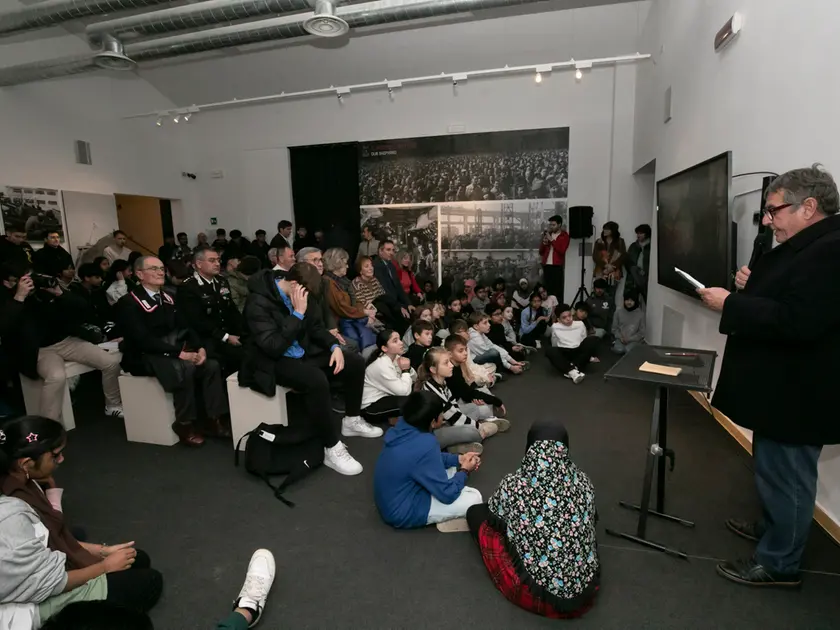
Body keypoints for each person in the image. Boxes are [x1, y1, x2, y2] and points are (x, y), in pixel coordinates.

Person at [698, 165, 840, 587]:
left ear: (808, 207)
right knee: (773, 469)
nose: (768, 219)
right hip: (783, 387)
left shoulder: (830, 250)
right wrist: (751, 285)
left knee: (790, 475)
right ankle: (774, 528)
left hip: (799, 391)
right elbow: (788, 297)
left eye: (774, 210)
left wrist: (732, 304)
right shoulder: (809, 246)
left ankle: (780, 563)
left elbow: (798, 320)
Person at [0, 416, 163, 615]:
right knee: (151, 582)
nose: (61, 460)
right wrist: (104, 567)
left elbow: (50, 537)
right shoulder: (12, 513)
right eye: (55, 455)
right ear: (26, 463)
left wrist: (103, 551)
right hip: (38, 599)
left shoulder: (21, 480)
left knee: (139, 559)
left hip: (45, 570)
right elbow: (47, 583)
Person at [239, 263, 373, 475]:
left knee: (353, 361)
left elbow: (316, 327)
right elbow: (272, 347)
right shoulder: (258, 302)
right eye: (306, 294)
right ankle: (331, 446)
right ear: (294, 284)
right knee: (316, 379)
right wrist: (297, 314)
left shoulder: (302, 292)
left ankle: (351, 419)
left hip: (301, 351)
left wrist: (334, 346)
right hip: (271, 360)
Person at [466, 421, 599, 618]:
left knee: (477, 514)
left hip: (535, 593)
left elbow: (493, 513)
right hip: (583, 593)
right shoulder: (584, 482)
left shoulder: (514, 484)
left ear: (530, 447)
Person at [118, 256, 229, 446]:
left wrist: (199, 347)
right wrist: (179, 353)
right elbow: (142, 339)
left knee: (210, 365)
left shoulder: (170, 296)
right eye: (153, 269)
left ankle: (212, 419)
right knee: (185, 367)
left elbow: (186, 326)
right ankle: (184, 423)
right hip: (143, 354)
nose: (160, 272)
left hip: (170, 348)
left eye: (161, 268)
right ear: (139, 274)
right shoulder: (129, 302)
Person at [0, 266, 123, 421]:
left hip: (66, 341)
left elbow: (82, 307)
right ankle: (49, 425)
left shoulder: (42, 292)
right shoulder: (6, 300)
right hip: (40, 350)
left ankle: (112, 406)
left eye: (30, 278)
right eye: (24, 280)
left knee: (111, 363)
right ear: (8, 283)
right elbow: (4, 327)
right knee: (56, 376)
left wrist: (60, 293)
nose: (30, 283)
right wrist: (19, 297)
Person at [373, 391, 483, 530]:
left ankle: (450, 497)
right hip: (401, 511)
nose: (443, 417)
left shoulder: (402, 425)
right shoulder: (426, 442)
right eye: (441, 414)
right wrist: (465, 471)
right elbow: (447, 495)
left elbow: (426, 458)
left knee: (451, 468)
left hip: (393, 496)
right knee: (474, 498)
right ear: (433, 421)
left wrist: (459, 459)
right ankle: (447, 517)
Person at [417, 347, 504, 452]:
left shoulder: (442, 382)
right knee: (474, 432)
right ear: (433, 369)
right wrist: (478, 426)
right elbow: (453, 416)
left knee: (473, 408)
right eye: (446, 363)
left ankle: (460, 441)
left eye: (449, 361)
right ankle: (454, 445)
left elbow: (454, 407)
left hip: (446, 421)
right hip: (433, 433)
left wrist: (467, 422)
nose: (451, 365)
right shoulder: (431, 389)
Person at [177, 248, 245, 377]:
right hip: (206, 338)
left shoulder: (221, 281)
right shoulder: (189, 287)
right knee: (237, 357)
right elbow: (197, 321)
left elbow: (231, 310)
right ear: (199, 264)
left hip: (226, 333)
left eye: (218, 260)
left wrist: (243, 330)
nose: (217, 264)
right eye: (212, 261)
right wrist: (225, 336)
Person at [295, 247, 357, 353]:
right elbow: (309, 323)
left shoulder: (323, 282)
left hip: (325, 330)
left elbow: (326, 310)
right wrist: (329, 336)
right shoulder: (298, 286)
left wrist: (333, 329)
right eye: (315, 260)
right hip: (309, 337)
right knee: (350, 348)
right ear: (302, 264)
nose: (320, 264)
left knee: (353, 344)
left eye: (321, 260)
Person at [323, 247, 377, 351]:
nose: (347, 266)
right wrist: (365, 313)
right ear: (337, 263)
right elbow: (342, 307)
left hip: (352, 318)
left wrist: (365, 311)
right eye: (345, 263)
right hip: (341, 323)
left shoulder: (344, 281)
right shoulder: (328, 282)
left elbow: (355, 301)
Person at [361, 329, 416, 424]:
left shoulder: (395, 357)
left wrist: (408, 368)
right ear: (385, 348)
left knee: (417, 398)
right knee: (412, 402)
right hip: (370, 407)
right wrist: (405, 370)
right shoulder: (381, 364)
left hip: (387, 397)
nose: (401, 343)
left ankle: (395, 419)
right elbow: (404, 392)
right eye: (395, 341)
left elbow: (415, 378)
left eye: (399, 339)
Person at [445, 336, 504, 421]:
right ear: (449, 354)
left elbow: (467, 389)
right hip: (457, 404)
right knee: (484, 407)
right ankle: (484, 421)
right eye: (461, 351)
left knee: (484, 391)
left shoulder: (458, 365)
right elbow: (465, 394)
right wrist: (496, 401)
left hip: (463, 397)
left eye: (465, 350)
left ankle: (487, 417)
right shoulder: (451, 371)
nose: (465, 353)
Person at [547, 304, 600, 383]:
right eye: (564, 317)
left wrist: (589, 357)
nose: (568, 319)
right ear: (558, 319)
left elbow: (584, 340)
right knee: (550, 350)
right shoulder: (555, 326)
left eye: (569, 315)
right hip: (564, 352)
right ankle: (573, 371)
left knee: (594, 339)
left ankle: (571, 368)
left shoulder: (580, 324)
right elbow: (554, 343)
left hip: (578, 353)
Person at [351, 256, 404, 331]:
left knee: (388, 302)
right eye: (367, 266)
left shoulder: (374, 279)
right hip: (371, 311)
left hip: (383, 308)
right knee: (381, 304)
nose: (371, 268)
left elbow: (383, 295)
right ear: (360, 271)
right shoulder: (356, 284)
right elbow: (362, 305)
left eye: (371, 265)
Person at [373, 240, 411, 322]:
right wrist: (399, 307)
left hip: (395, 302)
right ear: (380, 251)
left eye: (393, 250)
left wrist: (408, 304)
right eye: (388, 250)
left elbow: (398, 287)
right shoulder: (376, 266)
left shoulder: (391, 266)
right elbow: (383, 290)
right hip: (385, 303)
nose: (391, 253)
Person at [539, 214, 570, 303]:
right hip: (547, 265)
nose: (551, 227)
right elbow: (541, 252)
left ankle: (557, 310)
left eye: (553, 225)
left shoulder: (564, 235)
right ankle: (547, 308)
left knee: (557, 290)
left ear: (559, 225)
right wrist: (544, 243)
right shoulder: (548, 234)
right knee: (547, 289)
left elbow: (561, 250)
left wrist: (552, 240)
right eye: (550, 225)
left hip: (557, 266)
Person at [592, 221, 627, 294]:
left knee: (611, 295)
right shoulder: (599, 241)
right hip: (600, 271)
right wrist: (605, 265)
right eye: (604, 229)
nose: (604, 231)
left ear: (613, 231)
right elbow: (595, 256)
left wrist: (611, 267)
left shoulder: (620, 241)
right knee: (600, 294)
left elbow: (622, 256)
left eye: (607, 229)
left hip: (614, 272)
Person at [610, 290, 645, 355]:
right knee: (619, 350)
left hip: (634, 340)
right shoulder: (618, 312)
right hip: (621, 339)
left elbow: (641, 333)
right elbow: (614, 329)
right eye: (627, 300)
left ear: (635, 301)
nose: (629, 302)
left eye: (631, 300)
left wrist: (630, 339)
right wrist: (620, 337)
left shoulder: (640, 314)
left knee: (628, 350)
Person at [624, 223, 651, 300]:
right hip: (633, 277)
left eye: (641, 233)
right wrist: (633, 269)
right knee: (630, 299)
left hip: (646, 277)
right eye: (637, 233)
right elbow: (627, 260)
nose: (638, 235)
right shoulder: (633, 246)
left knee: (647, 299)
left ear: (647, 234)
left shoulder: (652, 247)